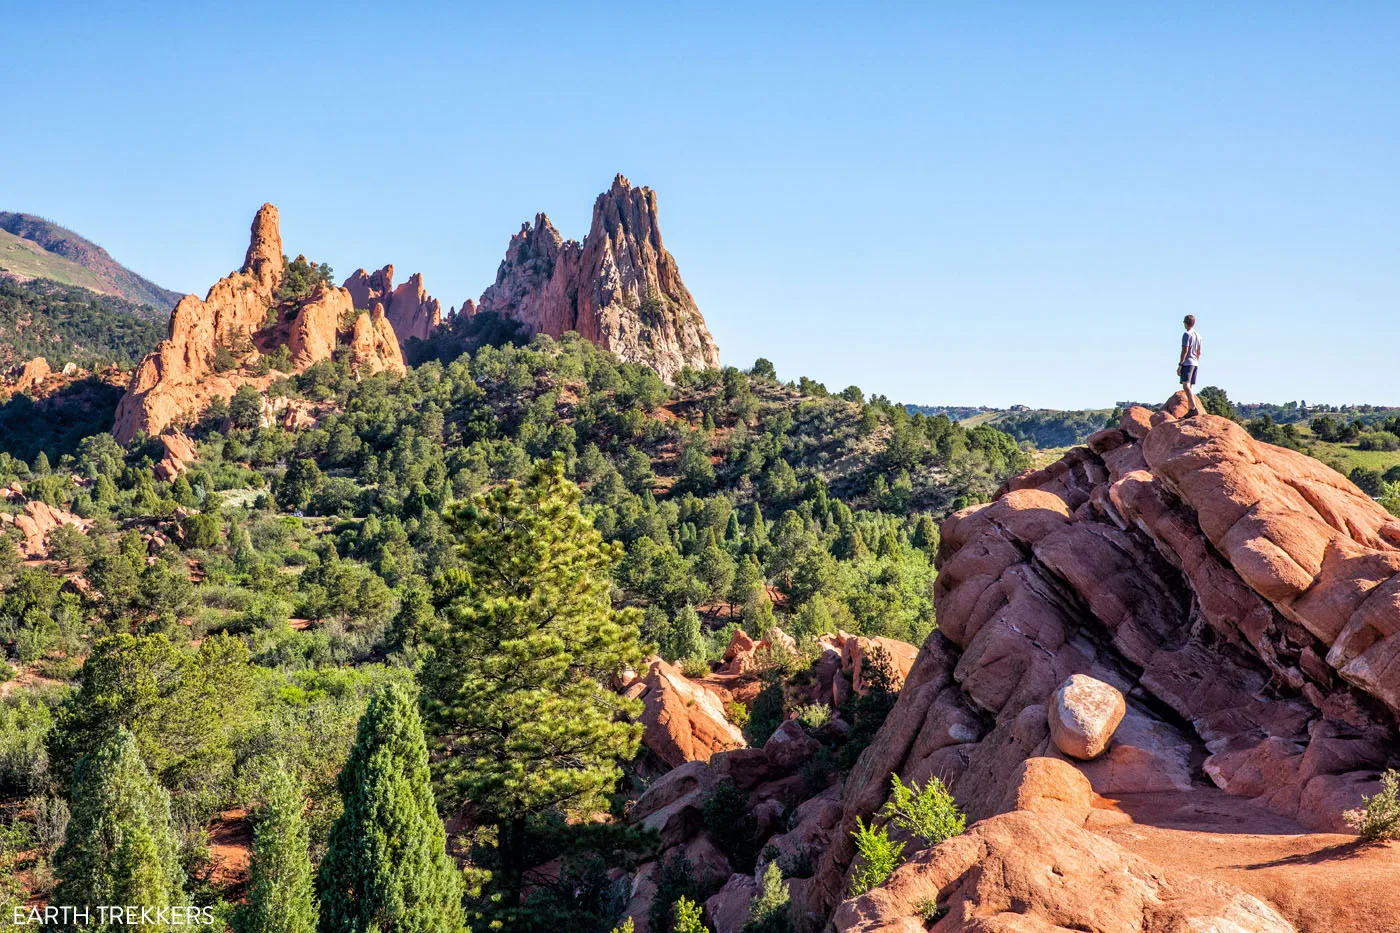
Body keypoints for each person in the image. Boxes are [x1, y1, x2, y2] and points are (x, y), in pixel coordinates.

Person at [1177, 315, 1204, 416]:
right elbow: (1199, 352)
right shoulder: (1198, 335)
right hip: (1195, 362)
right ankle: (1190, 411)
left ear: (1185, 323)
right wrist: (1196, 360)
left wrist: (1180, 364)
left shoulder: (1186, 334)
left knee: (1186, 385)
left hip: (1188, 362)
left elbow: (1185, 350)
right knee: (1190, 387)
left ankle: (1193, 408)